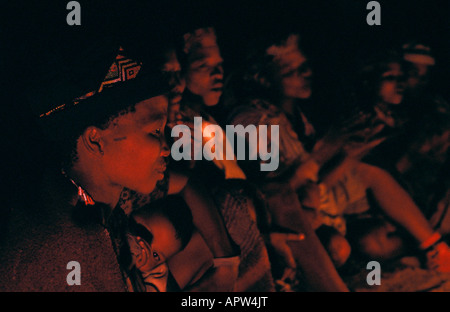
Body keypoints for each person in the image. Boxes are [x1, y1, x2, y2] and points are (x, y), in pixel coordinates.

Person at [227, 33, 450, 288]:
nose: (307, 73)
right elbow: (276, 194)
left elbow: (315, 180)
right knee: (351, 240)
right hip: (294, 218)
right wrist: (332, 148)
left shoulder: (296, 117)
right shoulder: (252, 121)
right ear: (264, 77)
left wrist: (349, 150)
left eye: (306, 66)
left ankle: (434, 248)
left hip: (321, 204)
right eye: (293, 71)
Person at [0, 45, 172, 291]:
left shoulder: (92, 216)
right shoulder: (65, 253)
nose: (167, 147)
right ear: (95, 140)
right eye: (155, 131)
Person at [171, 26, 275, 291]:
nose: (218, 74)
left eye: (219, 65)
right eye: (203, 66)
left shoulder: (207, 122)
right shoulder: (180, 131)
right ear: (178, 72)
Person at [126, 196, 194, 292]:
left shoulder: (157, 274)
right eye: (143, 233)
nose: (144, 249)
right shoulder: (117, 223)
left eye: (155, 255)